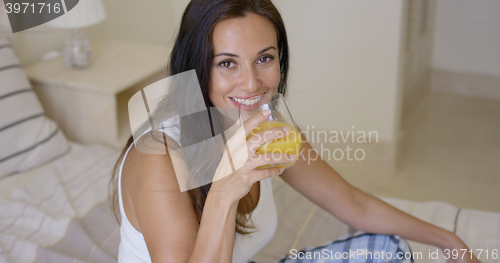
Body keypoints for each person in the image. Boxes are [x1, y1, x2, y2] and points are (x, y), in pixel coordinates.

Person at [109, 0, 481, 262]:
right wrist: (224, 191)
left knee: (386, 249)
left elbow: (354, 203)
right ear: (195, 68)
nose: (252, 84)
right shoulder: (158, 158)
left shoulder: (268, 128)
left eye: (264, 59)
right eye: (227, 63)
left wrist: (449, 241)